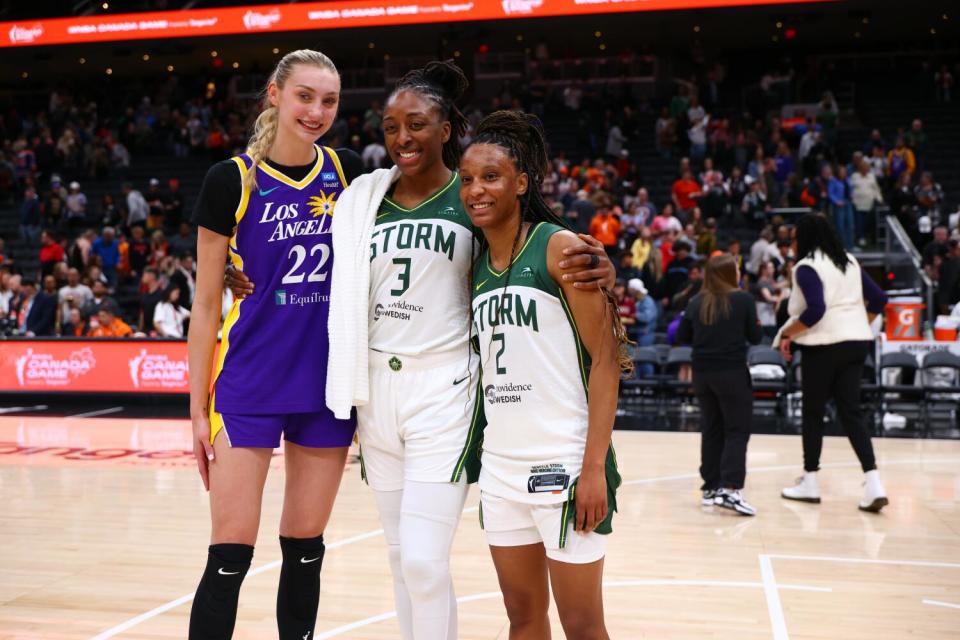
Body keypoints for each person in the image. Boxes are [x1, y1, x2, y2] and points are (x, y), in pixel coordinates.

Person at [227, 61, 614, 640]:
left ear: (445, 129)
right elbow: (297, 241)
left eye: (416, 124)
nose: (402, 138)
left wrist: (599, 264)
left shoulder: (472, 196)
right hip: (377, 391)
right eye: (390, 127)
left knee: (424, 561)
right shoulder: (363, 199)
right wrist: (238, 269)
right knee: (399, 559)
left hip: (445, 389)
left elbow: (529, 238)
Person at [187, 49, 363, 640]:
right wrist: (194, 409)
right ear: (275, 95)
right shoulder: (229, 180)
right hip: (249, 383)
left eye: (329, 100)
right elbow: (207, 305)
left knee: (306, 548)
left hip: (326, 386)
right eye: (305, 96)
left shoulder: (349, 173)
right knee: (230, 554)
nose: (316, 111)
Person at [462, 109, 628, 639]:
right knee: (524, 620)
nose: (476, 190)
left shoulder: (558, 246)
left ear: (521, 183)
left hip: (564, 465)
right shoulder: (475, 264)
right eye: (467, 179)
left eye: (491, 177)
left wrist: (595, 467)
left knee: (582, 626)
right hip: (502, 471)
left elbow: (607, 359)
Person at [775, 214, 889, 512]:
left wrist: (787, 333)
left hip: (824, 346)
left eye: (796, 237)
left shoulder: (806, 267)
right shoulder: (849, 261)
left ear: (807, 239)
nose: (793, 243)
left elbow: (815, 311)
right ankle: (873, 482)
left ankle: (810, 481)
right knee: (851, 413)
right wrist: (856, 325)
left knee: (813, 414)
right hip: (857, 343)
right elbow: (879, 299)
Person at [677, 254, 761, 515]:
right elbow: (755, 336)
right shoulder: (744, 299)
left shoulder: (695, 301)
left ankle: (711, 487)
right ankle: (731, 489)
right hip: (732, 372)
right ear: (729, 273)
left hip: (702, 374)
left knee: (712, 428)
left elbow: (681, 337)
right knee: (737, 430)